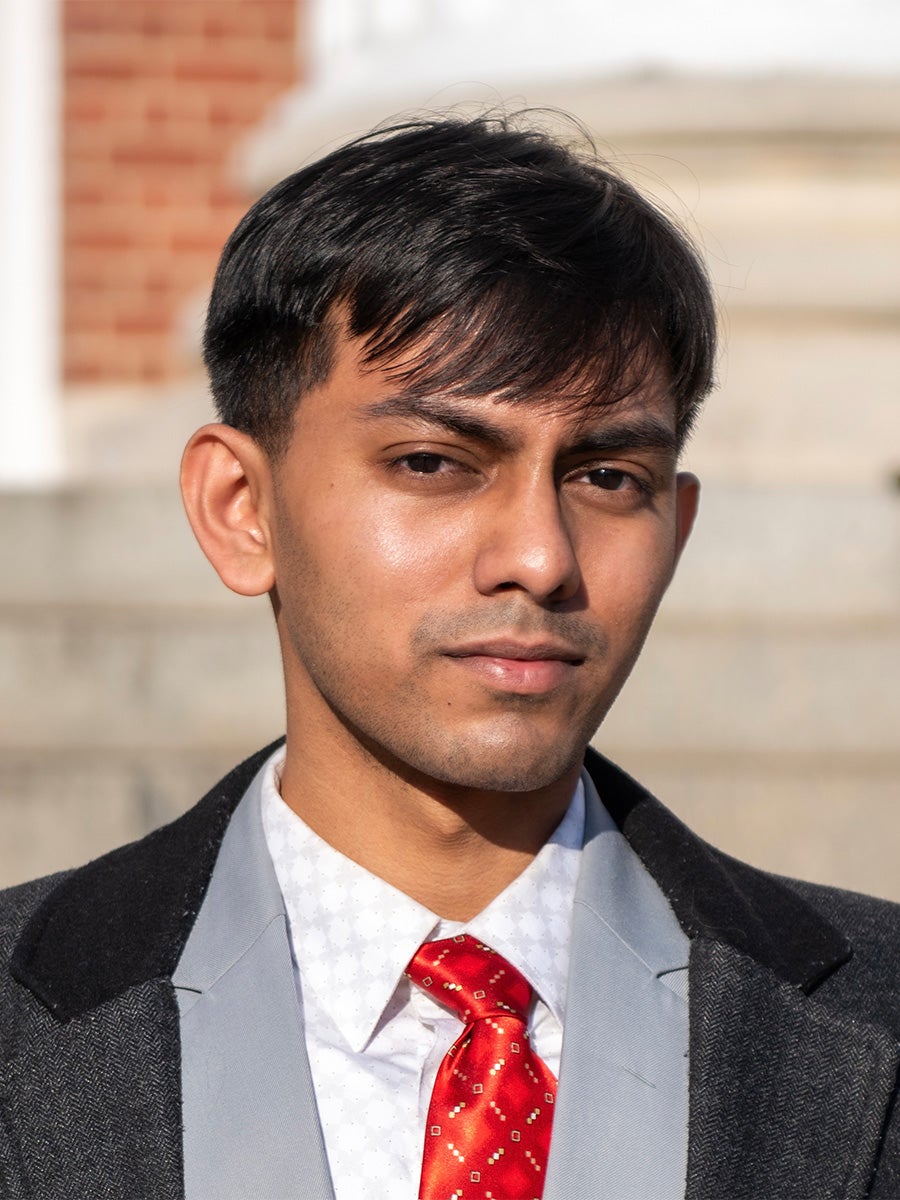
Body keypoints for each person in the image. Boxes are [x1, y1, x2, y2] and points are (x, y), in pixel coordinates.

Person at [1, 113, 898, 1200]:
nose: (538, 557)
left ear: (679, 526)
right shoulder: (29, 1015)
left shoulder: (871, 1016)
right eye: (433, 462)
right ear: (242, 510)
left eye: (609, 477)